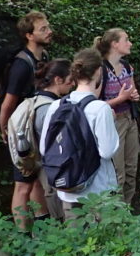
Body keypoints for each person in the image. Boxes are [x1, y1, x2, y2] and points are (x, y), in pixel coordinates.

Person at [40, 48, 119, 219]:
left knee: (77, 240)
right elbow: (107, 151)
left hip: (67, 189)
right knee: (105, 241)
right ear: (99, 71)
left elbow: (44, 148)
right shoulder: (100, 108)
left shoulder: (56, 105)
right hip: (99, 191)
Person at [0, 11, 53, 230]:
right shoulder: (22, 65)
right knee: (22, 183)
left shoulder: (44, 58)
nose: (49, 31)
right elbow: (8, 102)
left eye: (48, 27)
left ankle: (41, 224)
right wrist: (6, 130)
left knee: (36, 177)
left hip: (36, 127)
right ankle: (22, 233)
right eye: (43, 29)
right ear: (29, 35)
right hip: (21, 130)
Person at [95, 29, 140, 208]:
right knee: (117, 172)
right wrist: (120, 99)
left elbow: (133, 91)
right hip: (113, 123)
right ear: (114, 44)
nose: (130, 44)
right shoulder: (101, 70)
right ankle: (115, 213)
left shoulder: (127, 66)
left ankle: (127, 208)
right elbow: (93, 104)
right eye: (126, 40)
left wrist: (133, 96)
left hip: (129, 120)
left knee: (131, 168)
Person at [32, 59, 73, 221]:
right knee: (59, 211)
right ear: (58, 80)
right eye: (70, 81)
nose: (72, 85)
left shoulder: (37, 99)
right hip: (53, 170)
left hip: (45, 166)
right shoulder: (48, 108)